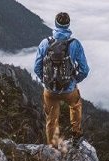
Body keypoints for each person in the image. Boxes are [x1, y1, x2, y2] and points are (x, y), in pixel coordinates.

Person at [34, 12, 90, 148]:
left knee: (51, 120)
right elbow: (84, 69)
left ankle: (52, 148)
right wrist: (74, 80)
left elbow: (36, 67)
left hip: (50, 91)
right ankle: (76, 134)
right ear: (68, 25)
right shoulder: (75, 44)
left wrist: (45, 80)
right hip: (68, 88)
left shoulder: (45, 43)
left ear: (55, 24)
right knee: (75, 105)